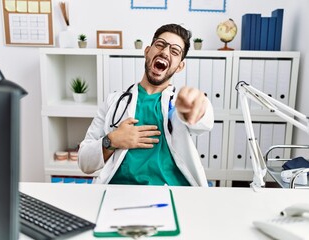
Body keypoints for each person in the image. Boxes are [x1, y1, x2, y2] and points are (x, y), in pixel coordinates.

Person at [78, 23, 214, 187]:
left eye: (175, 51)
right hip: (119, 192)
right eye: (160, 45)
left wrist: (197, 108)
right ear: (147, 51)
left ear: (180, 66)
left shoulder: (178, 103)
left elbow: (204, 120)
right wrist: (112, 140)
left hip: (173, 193)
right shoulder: (113, 101)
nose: (164, 52)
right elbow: (85, 162)